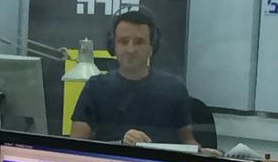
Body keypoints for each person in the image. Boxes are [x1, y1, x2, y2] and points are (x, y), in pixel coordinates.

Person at [70, 8, 202, 147]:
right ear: (113, 46)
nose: (131, 49)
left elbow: (187, 141)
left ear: (152, 47)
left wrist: (201, 153)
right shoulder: (95, 87)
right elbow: (76, 144)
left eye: (139, 42)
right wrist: (121, 144)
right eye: (123, 41)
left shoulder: (174, 88)